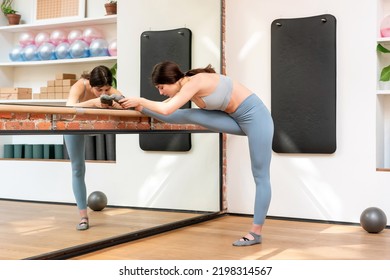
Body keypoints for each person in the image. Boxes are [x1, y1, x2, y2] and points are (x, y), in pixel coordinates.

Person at [119, 61, 274, 246]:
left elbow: (166, 108)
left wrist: (141, 100)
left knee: (260, 175)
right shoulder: (185, 86)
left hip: (256, 117)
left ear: (172, 80)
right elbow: (167, 109)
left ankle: (255, 233)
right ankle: (140, 109)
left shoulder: (194, 82)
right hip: (234, 118)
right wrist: (139, 107)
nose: (160, 92)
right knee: (187, 115)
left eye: (161, 87)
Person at [65, 65, 124, 230]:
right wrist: (93, 102)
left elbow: (127, 103)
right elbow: (69, 107)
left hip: (94, 126)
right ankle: (83, 217)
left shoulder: (109, 90)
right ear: (91, 84)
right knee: (77, 168)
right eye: (99, 89)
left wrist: (116, 102)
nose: (103, 92)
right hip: (73, 125)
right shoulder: (80, 85)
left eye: (106, 89)